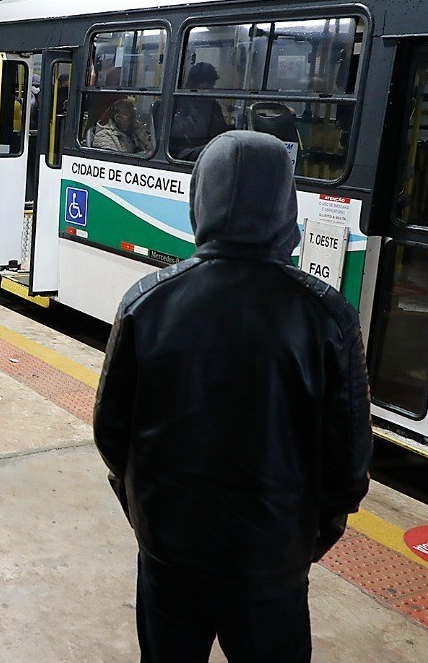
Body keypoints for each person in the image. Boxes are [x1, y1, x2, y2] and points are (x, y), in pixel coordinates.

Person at [93, 131, 372, 663]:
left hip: (168, 552)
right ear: (286, 206)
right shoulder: (325, 314)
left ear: (201, 196)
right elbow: (349, 461)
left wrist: (141, 508)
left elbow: (111, 430)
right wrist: (309, 538)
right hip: (272, 562)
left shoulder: (147, 301)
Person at [169, 61, 229, 160]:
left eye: (211, 85)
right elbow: (180, 132)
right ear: (193, 84)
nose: (209, 90)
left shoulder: (212, 104)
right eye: (205, 87)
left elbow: (219, 128)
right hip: (182, 151)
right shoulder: (178, 102)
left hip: (205, 146)